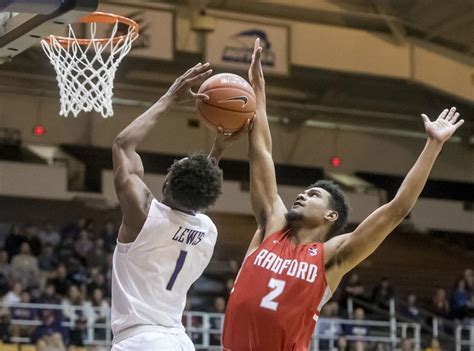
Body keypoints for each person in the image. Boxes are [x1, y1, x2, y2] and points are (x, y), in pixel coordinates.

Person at [221, 38, 465, 351]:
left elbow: (397, 210)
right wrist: (258, 89)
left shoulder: (331, 257)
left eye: (313, 195)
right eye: (305, 192)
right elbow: (263, 153)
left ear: (330, 215)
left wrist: (433, 145)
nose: (301, 196)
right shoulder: (273, 225)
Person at [110, 62, 248, 351]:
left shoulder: (144, 215)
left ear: (166, 184)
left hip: (141, 340)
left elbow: (124, 145)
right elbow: (195, 194)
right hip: (179, 340)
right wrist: (218, 149)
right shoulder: (207, 231)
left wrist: (171, 96)